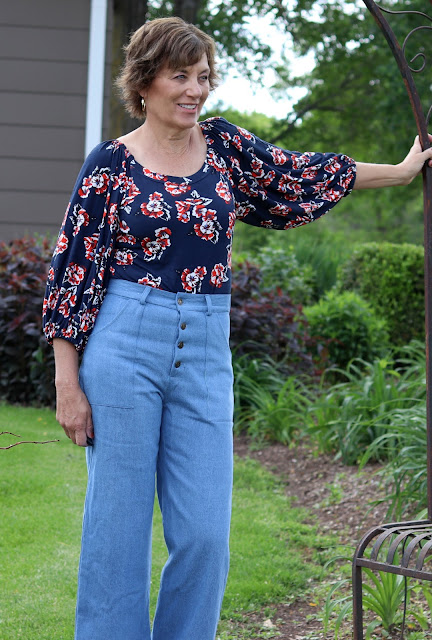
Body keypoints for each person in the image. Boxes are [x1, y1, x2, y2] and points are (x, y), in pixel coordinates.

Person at [42, 16, 432, 640]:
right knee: (116, 532)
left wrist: (400, 170)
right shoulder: (109, 166)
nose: (195, 90)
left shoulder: (223, 149)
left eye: (203, 77)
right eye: (180, 76)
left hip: (203, 347)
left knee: (204, 534)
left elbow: (298, 175)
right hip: (123, 341)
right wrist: (68, 383)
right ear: (144, 83)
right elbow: (72, 274)